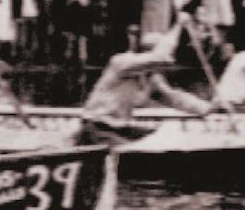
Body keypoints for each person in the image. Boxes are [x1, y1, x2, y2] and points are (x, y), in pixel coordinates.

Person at [79, 22, 211, 135]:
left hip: (118, 128)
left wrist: (208, 108)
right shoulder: (120, 62)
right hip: (96, 126)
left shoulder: (151, 79)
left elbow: (174, 98)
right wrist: (178, 25)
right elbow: (161, 57)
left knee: (162, 141)